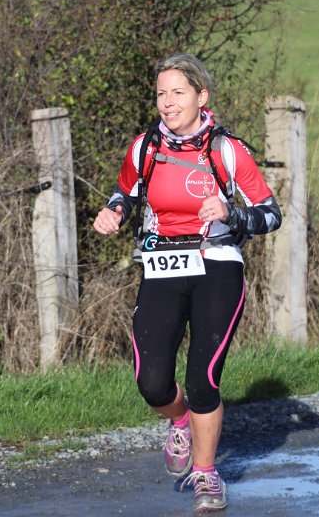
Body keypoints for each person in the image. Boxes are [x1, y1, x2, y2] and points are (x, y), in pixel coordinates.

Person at [92, 53, 282, 512]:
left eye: (178, 92)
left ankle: (206, 473)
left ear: (202, 96)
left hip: (217, 265)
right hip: (163, 265)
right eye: (161, 93)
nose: (168, 102)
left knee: (202, 379)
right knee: (152, 383)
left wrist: (231, 213)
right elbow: (126, 192)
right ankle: (180, 422)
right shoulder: (145, 147)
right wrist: (114, 211)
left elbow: (271, 214)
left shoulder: (226, 150)